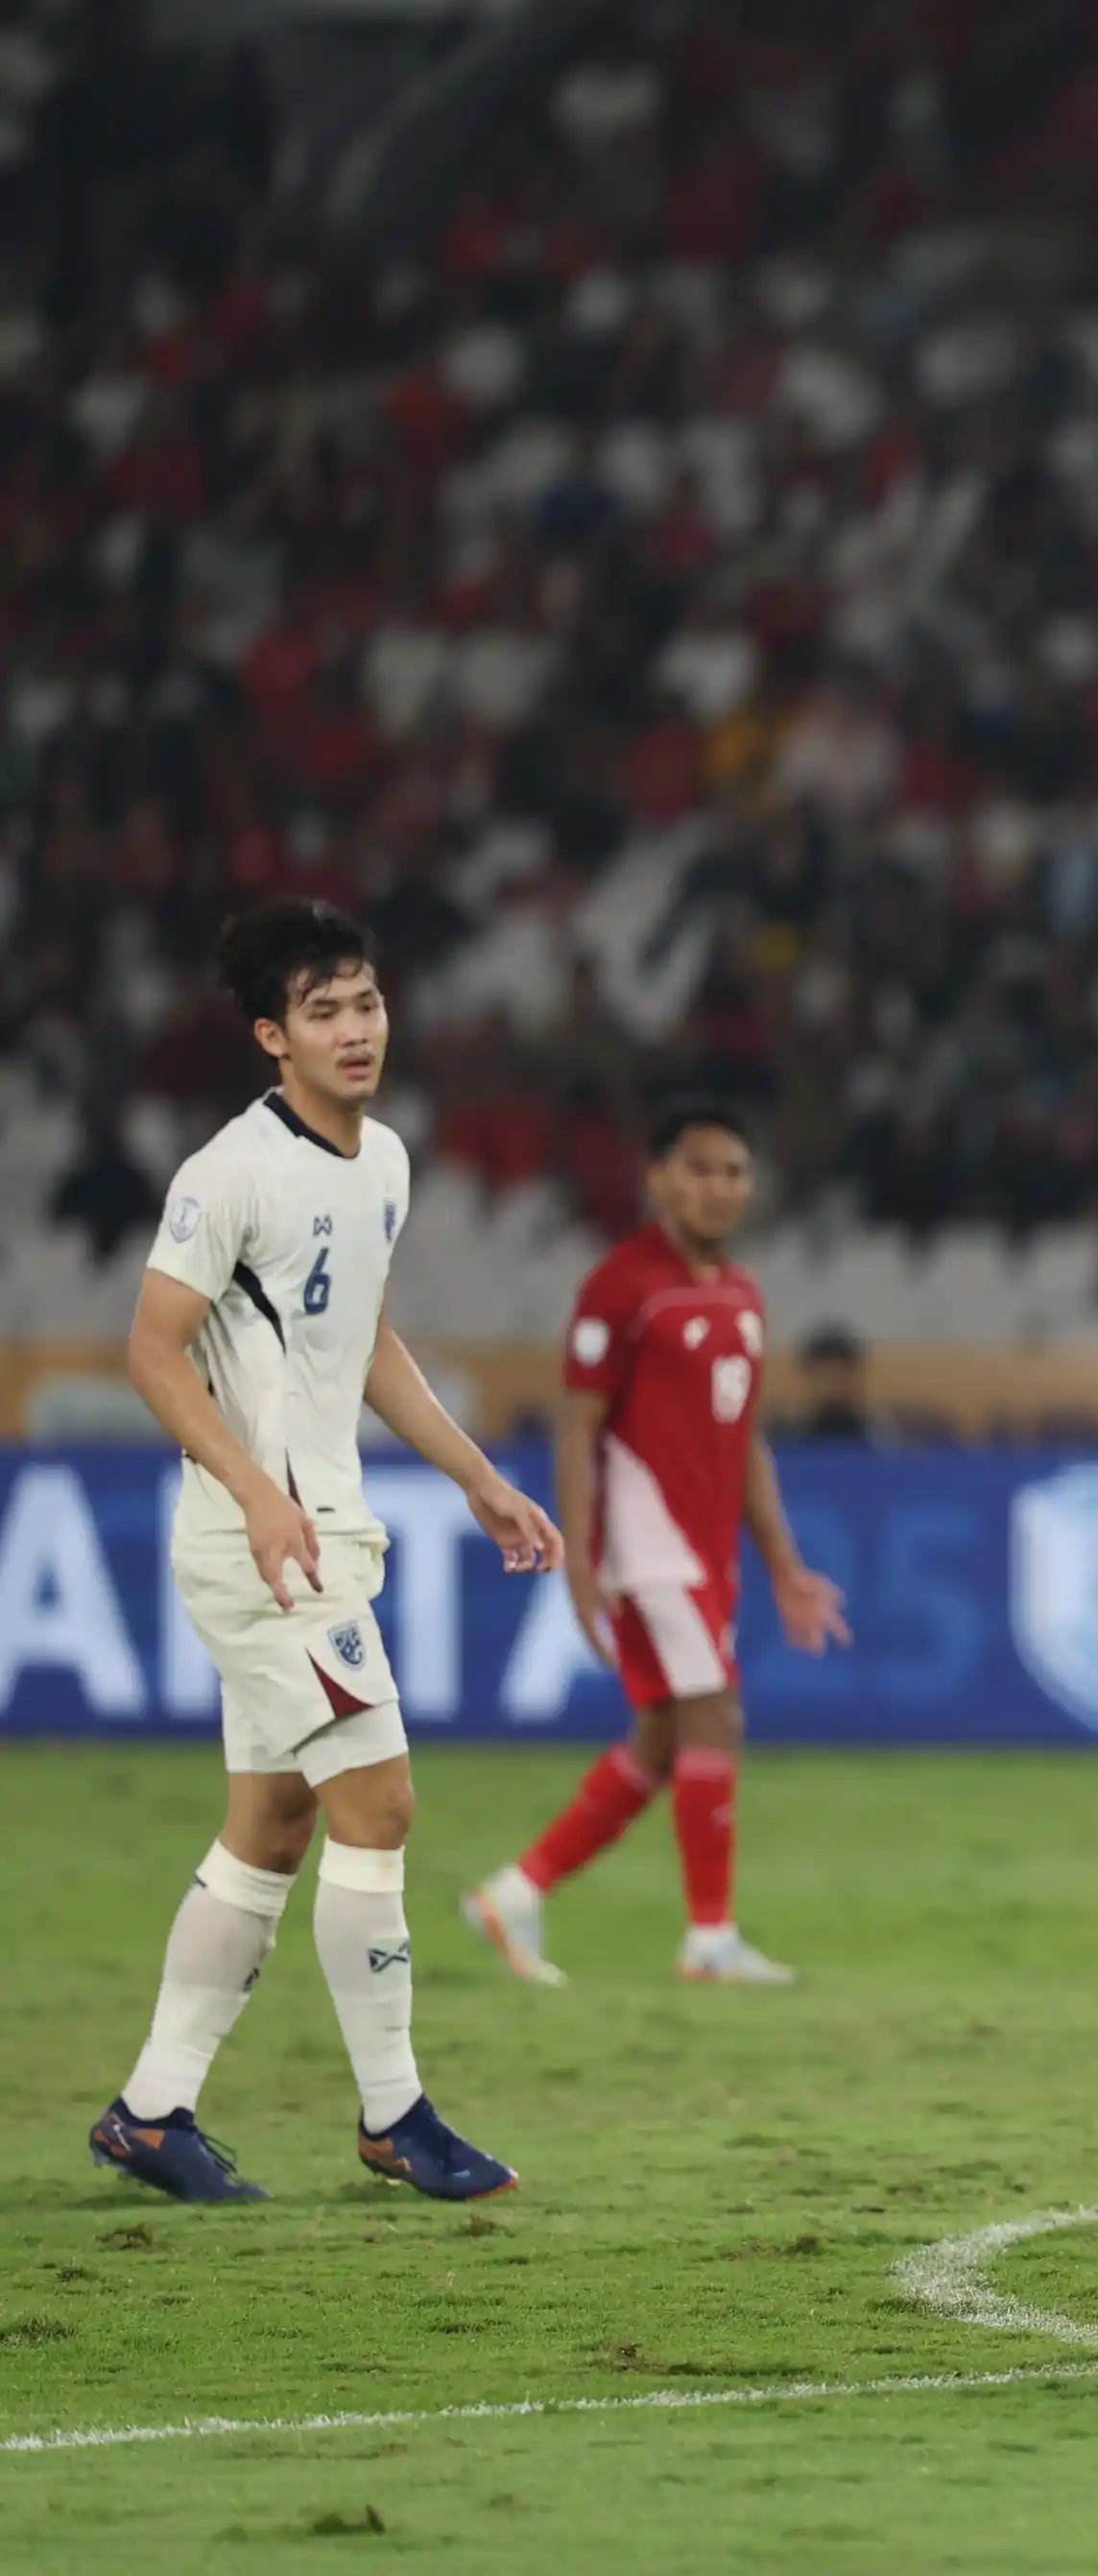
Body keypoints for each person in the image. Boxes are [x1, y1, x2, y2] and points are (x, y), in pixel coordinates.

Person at [88, 899, 563, 2206]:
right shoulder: (229, 1172)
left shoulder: (385, 1162)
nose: (357, 1030)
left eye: (367, 1003)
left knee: (274, 1822)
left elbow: (366, 1341)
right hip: (265, 1547)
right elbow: (149, 1347)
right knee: (383, 1799)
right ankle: (394, 2113)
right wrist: (252, 1489)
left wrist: (475, 1476)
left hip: (319, 1532)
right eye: (325, 1011)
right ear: (270, 1037)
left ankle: (150, 2109)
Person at [465, 1103, 850, 1986]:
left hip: (707, 1554)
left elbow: (743, 1440)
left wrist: (785, 1566)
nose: (719, 1188)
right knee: (717, 1713)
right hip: (648, 1548)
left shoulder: (742, 1297)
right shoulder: (621, 1288)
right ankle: (710, 1939)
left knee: (665, 1738)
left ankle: (516, 1893)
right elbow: (577, 1430)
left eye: (735, 1172)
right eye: (700, 1168)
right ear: (659, 1178)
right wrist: (579, 1564)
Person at [799, 1326, 875, 1444]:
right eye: (825, 1372)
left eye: (842, 1372)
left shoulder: (876, 1439)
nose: (833, 1382)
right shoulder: (790, 1439)